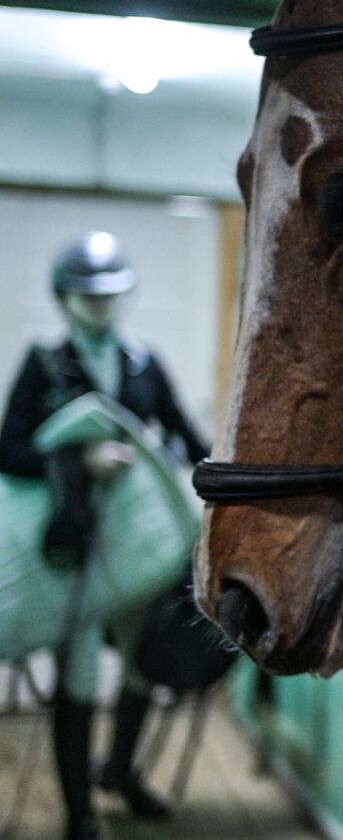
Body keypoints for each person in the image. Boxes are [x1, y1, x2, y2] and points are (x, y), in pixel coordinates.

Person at [0, 231, 209, 840]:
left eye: (109, 295)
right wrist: (77, 460)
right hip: (78, 547)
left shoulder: (144, 365)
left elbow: (185, 438)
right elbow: (9, 450)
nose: (100, 307)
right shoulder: (44, 365)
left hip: (137, 548)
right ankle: (80, 814)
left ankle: (119, 770)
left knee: (144, 662)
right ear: (65, 299)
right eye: (87, 296)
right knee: (82, 671)